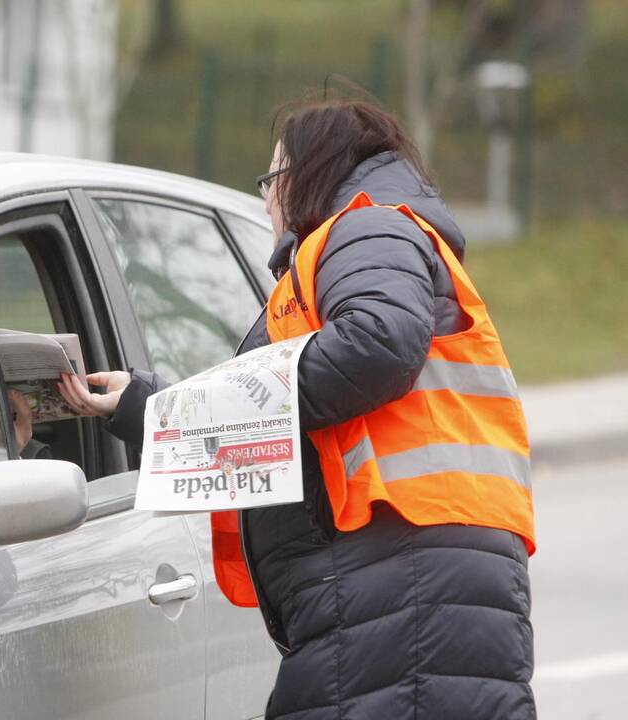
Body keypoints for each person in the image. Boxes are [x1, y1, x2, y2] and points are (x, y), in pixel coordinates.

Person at [59, 97, 536, 719]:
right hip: (406, 580)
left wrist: (193, 411)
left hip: (398, 581)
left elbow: (377, 343)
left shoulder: (370, 227)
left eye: (271, 176)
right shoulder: (374, 236)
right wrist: (147, 407)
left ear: (311, 172)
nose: (265, 198)